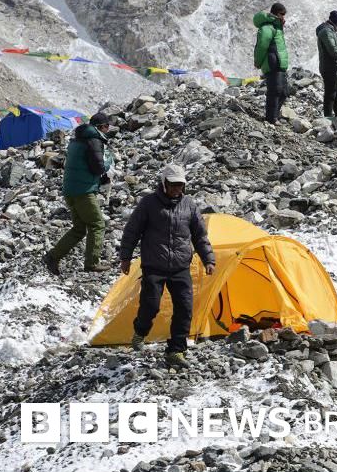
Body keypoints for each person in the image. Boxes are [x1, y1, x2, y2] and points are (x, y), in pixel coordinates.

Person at [120, 164, 215, 369]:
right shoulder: (148, 204)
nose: (176, 189)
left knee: (185, 308)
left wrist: (209, 259)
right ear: (164, 184)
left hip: (181, 267)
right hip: (154, 265)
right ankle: (140, 332)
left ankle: (176, 350)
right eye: (172, 185)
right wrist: (125, 257)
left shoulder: (189, 205)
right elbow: (132, 231)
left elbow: (200, 235)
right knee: (151, 305)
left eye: (180, 185)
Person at [42, 113, 114, 275]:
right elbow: (98, 167)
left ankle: (53, 257)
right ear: (101, 127)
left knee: (79, 228)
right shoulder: (94, 140)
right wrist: (108, 160)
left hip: (70, 191)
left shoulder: (76, 140)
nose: (108, 130)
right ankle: (92, 263)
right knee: (97, 224)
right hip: (84, 192)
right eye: (106, 126)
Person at [254, 3, 289, 124]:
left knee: (284, 92)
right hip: (272, 63)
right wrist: (258, 62)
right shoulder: (267, 27)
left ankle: (274, 116)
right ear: (275, 13)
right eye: (281, 14)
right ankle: (271, 118)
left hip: (279, 64)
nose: (283, 17)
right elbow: (261, 46)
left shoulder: (277, 27)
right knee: (275, 91)